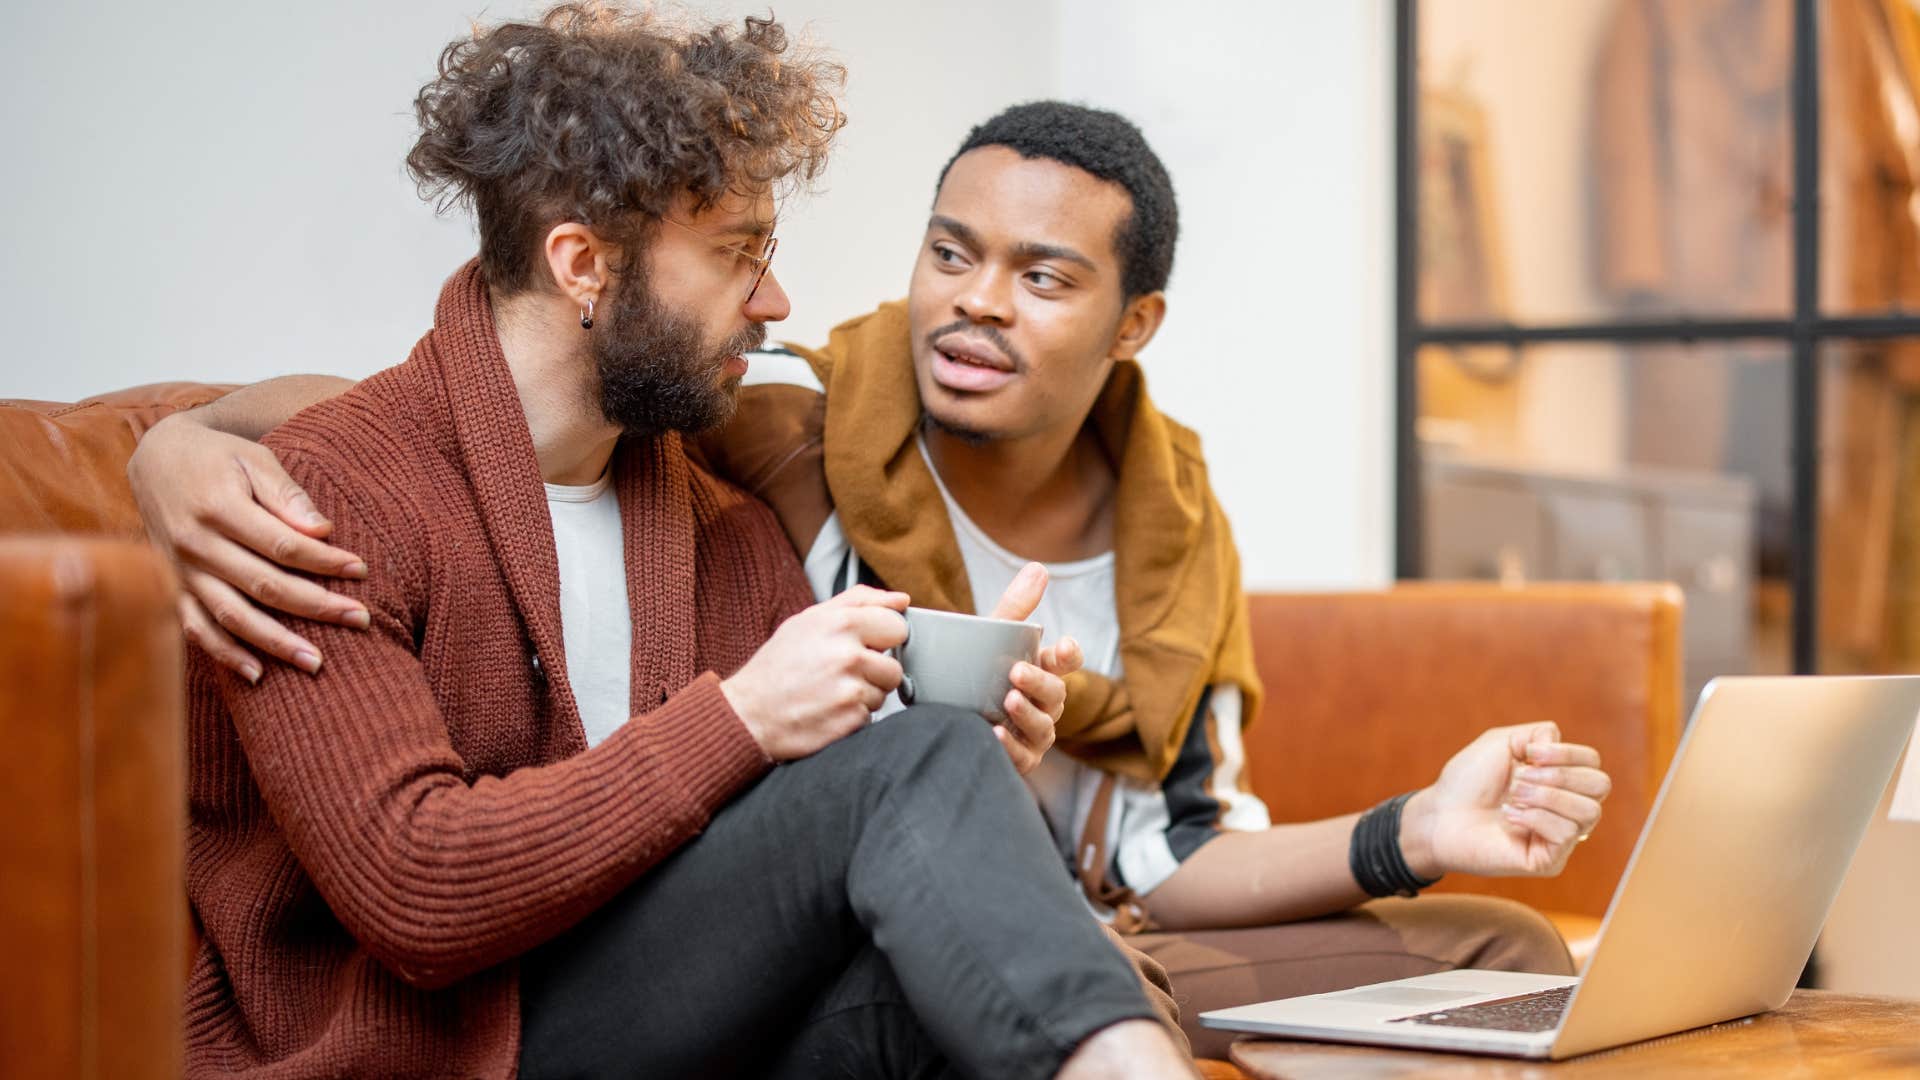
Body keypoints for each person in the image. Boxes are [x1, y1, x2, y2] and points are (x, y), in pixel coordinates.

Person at [134, 102, 1609, 1059]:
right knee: (937, 818)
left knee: (1510, 956)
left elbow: (1157, 844)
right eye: (950, 252)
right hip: (651, 959)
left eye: (1041, 277)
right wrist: (181, 443)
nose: (973, 301)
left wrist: (1417, 827)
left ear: (1133, 321)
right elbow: (461, 408)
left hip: (1035, 899)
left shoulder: (1173, 526)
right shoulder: (784, 419)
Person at [162, 8, 1194, 1078]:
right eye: (738, 255)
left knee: (947, 959)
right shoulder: (323, 500)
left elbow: (820, 840)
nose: (776, 300)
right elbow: (415, 891)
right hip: (451, 1049)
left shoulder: (724, 528)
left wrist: (969, 779)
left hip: (677, 1030)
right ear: (583, 265)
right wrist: (744, 716)